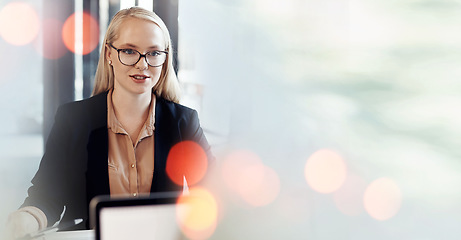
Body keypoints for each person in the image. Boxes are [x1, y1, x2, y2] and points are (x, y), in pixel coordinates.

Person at [5, 6, 213, 238]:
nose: (143, 64)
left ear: (165, 58)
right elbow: (47, 197)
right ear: (109, 54)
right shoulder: (72, 120)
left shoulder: (183, 122)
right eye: (129, 51)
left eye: (154, 53)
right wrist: (23, 222)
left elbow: (211, 194)